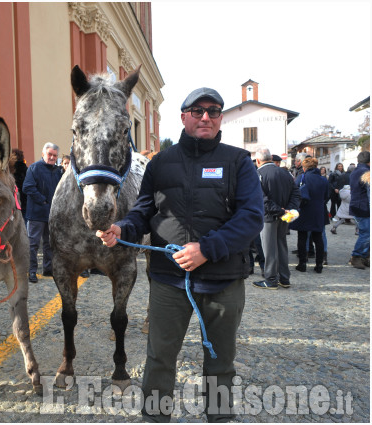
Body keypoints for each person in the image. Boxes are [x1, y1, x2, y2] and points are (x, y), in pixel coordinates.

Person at [96, 87, 264, 422]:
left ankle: (218, 416)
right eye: (198, 110)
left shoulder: (238, 162)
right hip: (168, 281)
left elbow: (251, 217)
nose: (206, 117)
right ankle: (156, 417)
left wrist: (206, 249)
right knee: (159, 357)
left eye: (214, 111)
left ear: (220, 118)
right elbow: (143, 211)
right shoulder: (161, 163)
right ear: (183, 116)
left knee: (220, 361)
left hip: (223, 280)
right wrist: (122, 229)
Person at [252, 148, 300, 289]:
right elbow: (296, 193)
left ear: (258, 161)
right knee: (281, 246)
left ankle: (271, 279)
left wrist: (280, 210)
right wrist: (288, 210)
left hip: (269, 216)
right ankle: (284, 278)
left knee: (269, 249)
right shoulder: (285, 173)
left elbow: (261, 199)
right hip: (283, 215)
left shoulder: (258, 174)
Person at [23, 142, 62, 283]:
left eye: (55, 155)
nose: (52, 157)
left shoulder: (58, 171)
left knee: (49, 243)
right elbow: (27, 187)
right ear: (43, 154)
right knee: (33, 244)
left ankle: (48, 268)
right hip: (36, 214)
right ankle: (31, 271)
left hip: (52, 214)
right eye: (49, 154)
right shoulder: (34, 168)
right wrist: (43, 200)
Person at [290, 157, 330, 273]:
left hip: (304, 210)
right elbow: (327, 195)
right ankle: (319, 265)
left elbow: (295, 193)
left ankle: (302, 264)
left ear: (304, 167)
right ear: (316, 167)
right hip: (318, 210)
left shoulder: (302, 177)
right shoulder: (323, 180)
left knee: (302, 237)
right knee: (318, 238)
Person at [348, 151, 370, 269]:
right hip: (364, 207)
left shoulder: (355, 171)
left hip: (357, 206)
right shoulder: (366, 172)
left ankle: (363, 256)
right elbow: (369, 194)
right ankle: (356, 256)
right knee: (366, 234)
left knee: (365, 233)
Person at [13, 148, 29, 225]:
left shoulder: (9, 170)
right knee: (24, 224)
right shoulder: (27, 169)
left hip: (13, 203)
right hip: (25, 202)